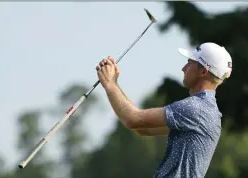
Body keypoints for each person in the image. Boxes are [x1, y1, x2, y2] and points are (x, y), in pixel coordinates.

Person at [95, 42, 233, 178]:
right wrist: (114, 83)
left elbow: (133, 120)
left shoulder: (195, 108)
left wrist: (110, 84)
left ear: (203, 71)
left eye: (189, 63)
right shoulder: (206, 109)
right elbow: (142, 129)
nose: (183, 68)